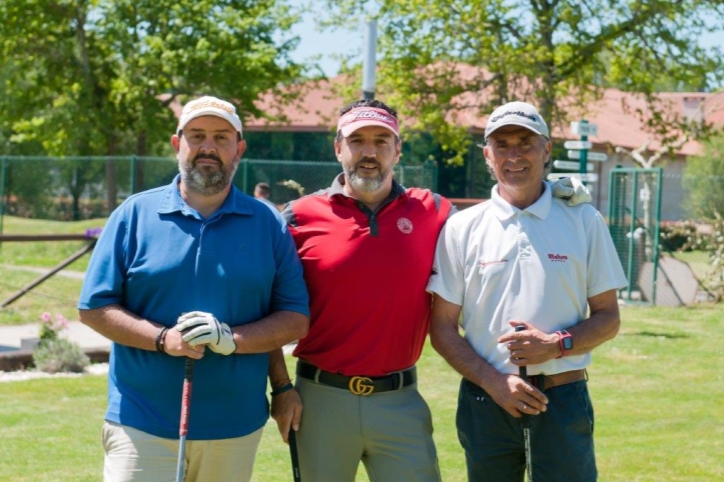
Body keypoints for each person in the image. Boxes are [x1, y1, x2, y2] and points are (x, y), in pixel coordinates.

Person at [266, 98, 592, 482]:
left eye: (382, 141)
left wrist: (552, 191)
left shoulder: (434, 212)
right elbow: (271, 308)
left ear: (398, 149)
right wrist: (281, 388)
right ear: (338, 147)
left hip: (400, 398)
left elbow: (503, 215)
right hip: (319, 396)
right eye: (357, 141)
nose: (369, 152)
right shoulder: (298, 216)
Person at [77, 95, 310, 482]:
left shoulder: (267, 224)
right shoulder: (134, 215)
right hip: (141, 422)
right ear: (177, 144)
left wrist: (231, 338)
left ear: (239, 148)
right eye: (197, 135)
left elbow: (293, 318)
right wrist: (162, 338)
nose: (208, 147)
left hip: (234, 424)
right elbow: (94, 308)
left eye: (221, 137)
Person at [426, 101, 628, 481]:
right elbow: (442, 328)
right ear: (487, 154)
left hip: (562, 399)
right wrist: (494, 382)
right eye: (502, 145)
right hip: (486, 400)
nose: (514, 155)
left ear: (547, 149)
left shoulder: (584, 219)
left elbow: (608, 318)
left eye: (526, 142)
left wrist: (556, 344)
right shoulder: (461, 228)